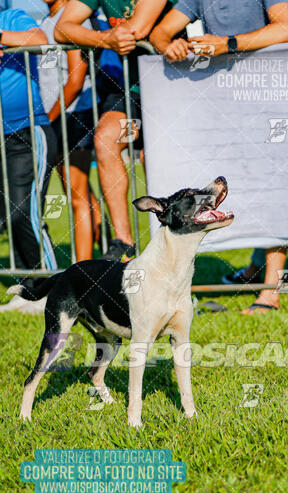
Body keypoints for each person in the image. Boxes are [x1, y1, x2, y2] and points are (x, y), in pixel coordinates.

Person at [150, 1, 288, 314]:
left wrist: (228, 44)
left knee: (271, 191)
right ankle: (242, 273)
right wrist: (170, 45)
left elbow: (285, 30)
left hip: (268, 94)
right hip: (222, 100)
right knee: (222, 186)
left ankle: (270, 295)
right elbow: (160, 32)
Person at [54, 0, 178, 261]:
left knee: (153, 158)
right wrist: (104, 37)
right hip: (133, 89)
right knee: (107, 138)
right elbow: (62, 29)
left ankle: (173, 246)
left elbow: (137, 29)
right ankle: (124, 243)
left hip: (172, 82)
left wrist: (101, 37)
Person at [0, 8, 58, 314]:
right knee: (9, 215)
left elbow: (40, 40)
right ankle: (26, 290)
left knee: (25, 211)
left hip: (27, 131)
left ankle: (51, 289)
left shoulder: (12, 17)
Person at [39, 0, 104, 262]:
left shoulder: (76, 18)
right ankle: (113, 251)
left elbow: (76, 79)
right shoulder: (47, 20)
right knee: (79, 192)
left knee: (77, 196)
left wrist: (48, 120)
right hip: (57, 117)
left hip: (73, 115)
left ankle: (84, 271)